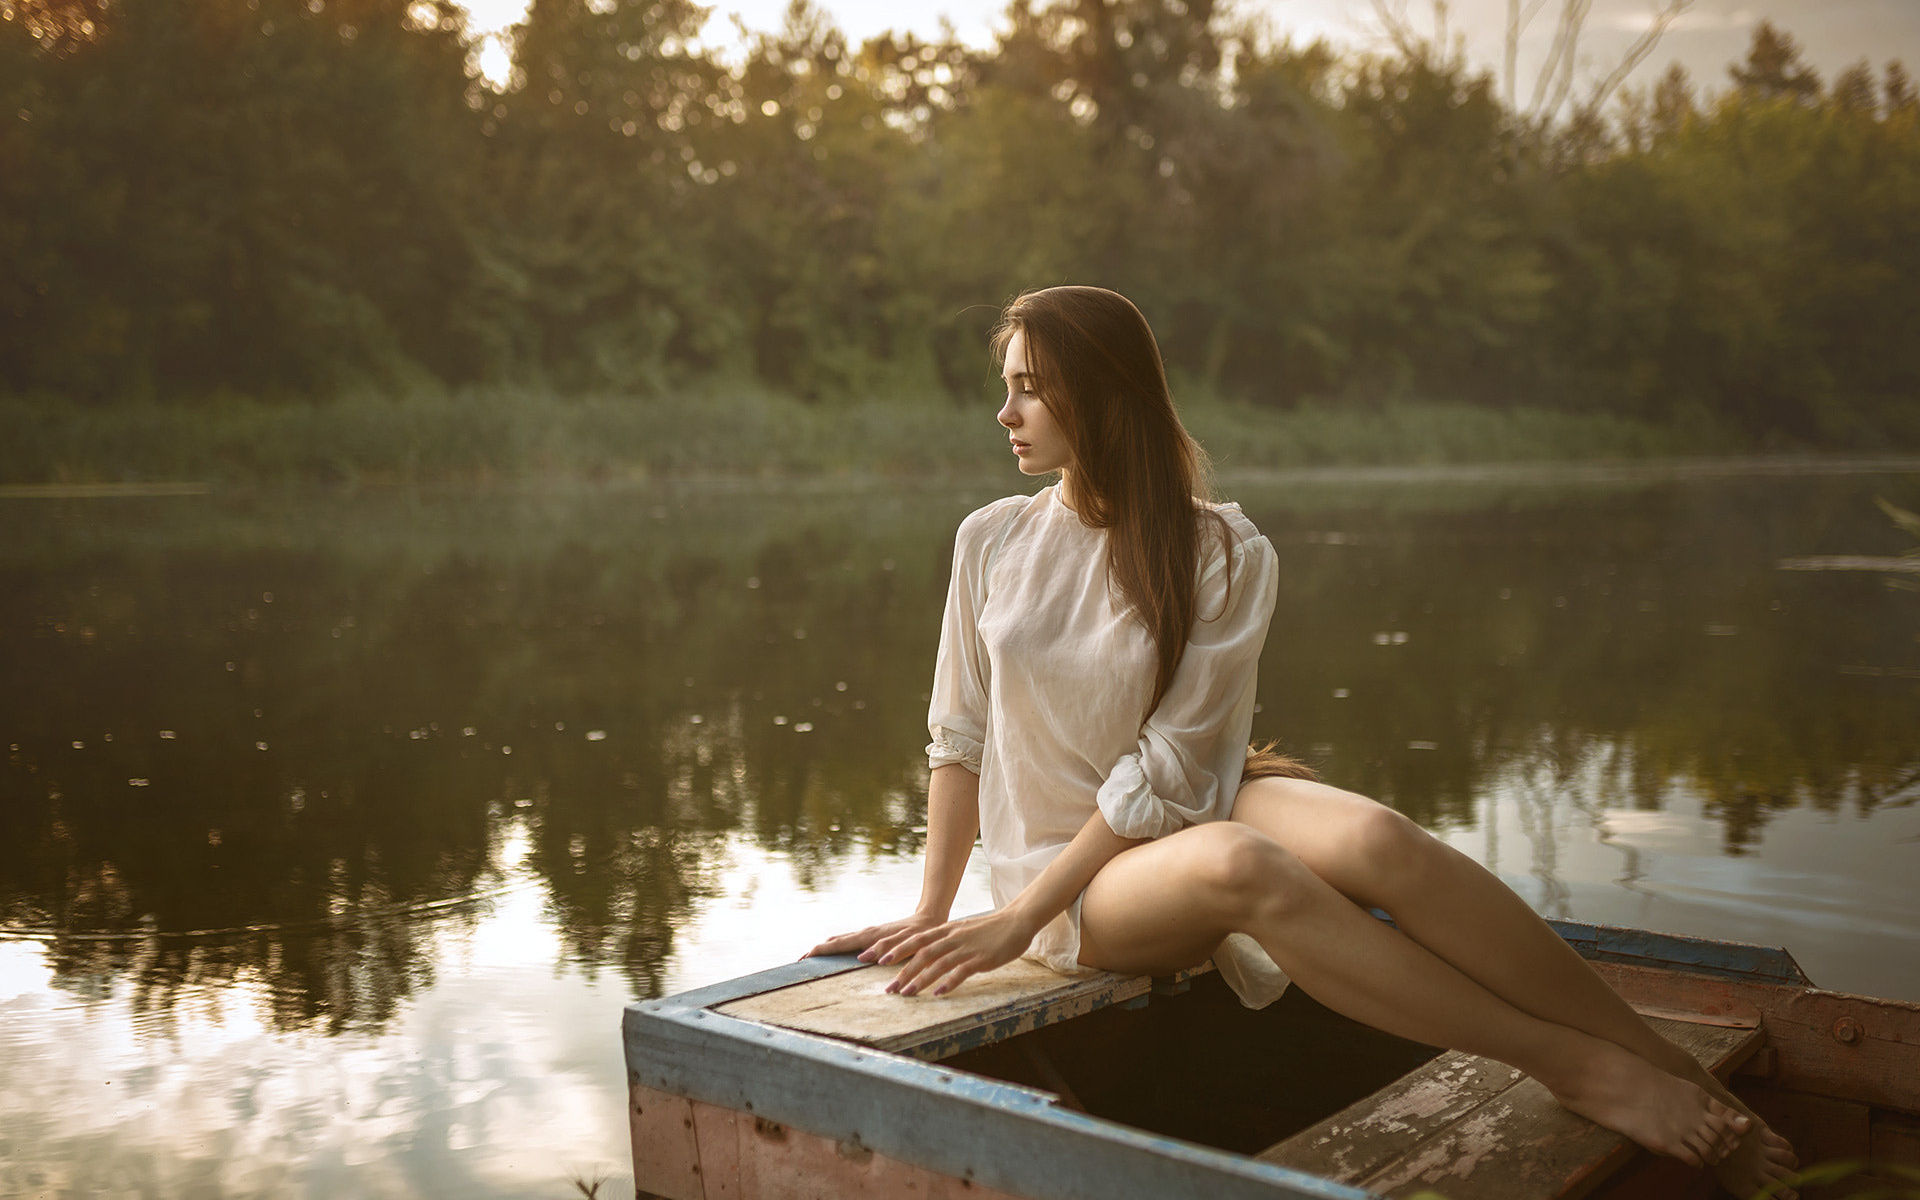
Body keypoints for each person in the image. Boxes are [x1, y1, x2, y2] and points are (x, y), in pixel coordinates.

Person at [807, 285, 1798, 1198]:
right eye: (1006, 388)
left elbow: (1172, 764)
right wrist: (957, 911)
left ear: (1101, 395)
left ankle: (1670, 1069)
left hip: (1176, 803)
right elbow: (959, 737)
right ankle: (1573, 1063)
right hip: (1063, 877)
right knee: (1248, 864)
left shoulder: (1222, 548)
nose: (1005, 413)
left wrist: (1023, 913)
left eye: (1029, 389)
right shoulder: (991, 539)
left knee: (1377, 840)